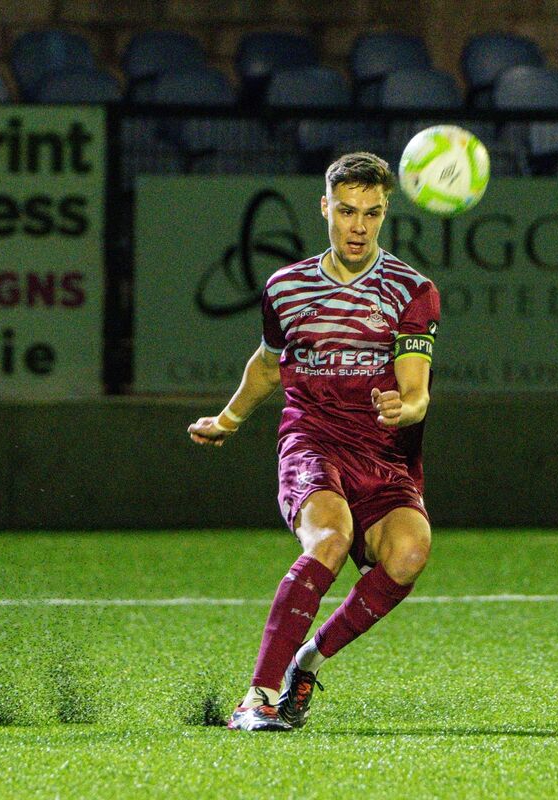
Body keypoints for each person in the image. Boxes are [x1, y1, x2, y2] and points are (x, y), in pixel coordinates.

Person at [187, 152, 441, 732]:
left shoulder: (412, 290)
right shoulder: (287, 286)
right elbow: (269, 366)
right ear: (326, 207)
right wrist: (227, 421)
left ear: (385, 214)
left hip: (382, 451)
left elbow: (417, 390)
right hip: (312, 440)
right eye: (348, 211)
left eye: (372, 214)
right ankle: (257, 696)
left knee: (409, 554)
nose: (359, 226)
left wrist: (407, 406)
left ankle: (310, 660)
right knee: (330, 537)